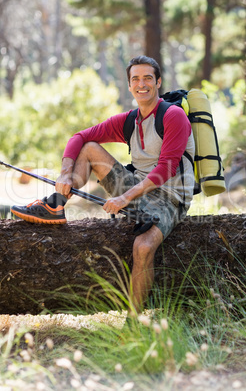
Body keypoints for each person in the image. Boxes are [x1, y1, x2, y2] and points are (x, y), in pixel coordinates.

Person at [11, 55, 195, 316]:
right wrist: (65, 174)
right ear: (130, 85)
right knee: (89, 148)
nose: (141, 84)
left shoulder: (173, 116)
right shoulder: (130, 121)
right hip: (137, 188)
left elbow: (165, 169)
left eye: (147, 78)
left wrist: (122, 198)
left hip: (170, 198)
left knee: (142, 246)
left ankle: (133, 323)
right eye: (135, 79)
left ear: (158, 82)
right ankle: (55, 204)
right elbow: (80, 137)